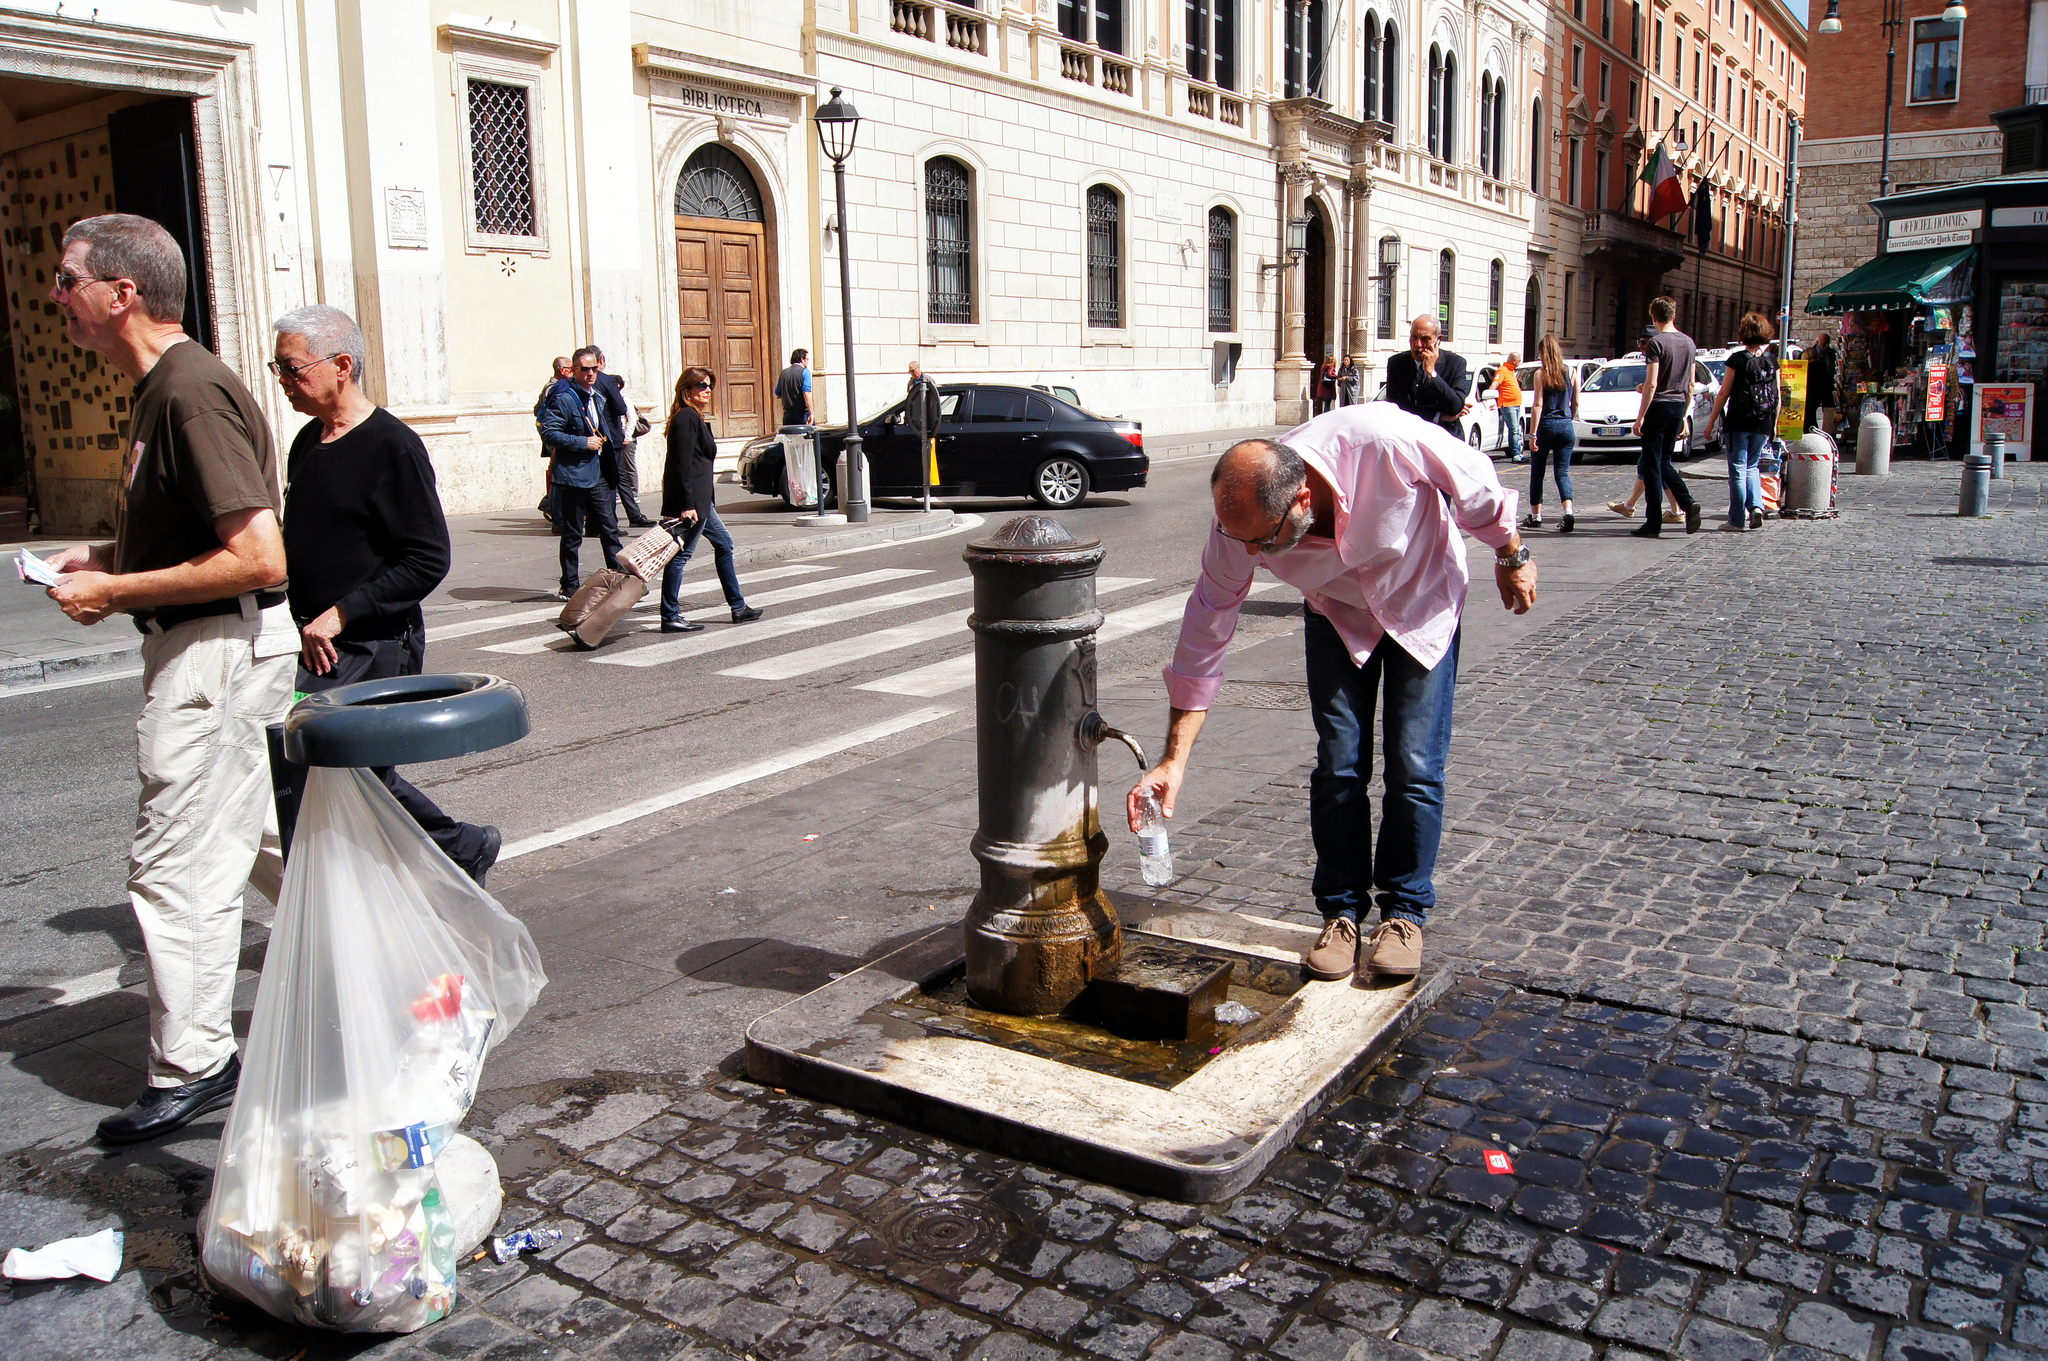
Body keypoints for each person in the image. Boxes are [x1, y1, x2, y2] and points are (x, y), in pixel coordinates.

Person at [39, 214, 299, 1144]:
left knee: (180, 863)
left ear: (125, 293)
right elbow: (202, 536)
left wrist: (113, 592)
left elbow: (260, 555)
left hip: (212, 654)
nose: (55, 296)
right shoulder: (164, 389)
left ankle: (194, 1062)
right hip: (210, 647)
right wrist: (108, 556)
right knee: (275, 841)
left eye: (68, 279)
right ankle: (405, 942)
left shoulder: (187, 392)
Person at [1129, 409, 1538, 984]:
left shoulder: (1381, 442)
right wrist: (1175, 758)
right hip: (1337, 613)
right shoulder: (1240, 531)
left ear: (1301, 498)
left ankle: (1404, 914)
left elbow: (1473, 482)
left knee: (1415, 764)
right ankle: (1341, 913)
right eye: (1241, 540)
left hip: (1420, 597)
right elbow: (1207, 627)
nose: (1252, 555)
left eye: (1262, 543)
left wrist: (1511, 554)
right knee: (1339, 762)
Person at [271, 303, 503, 880]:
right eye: (277, 368)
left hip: (371, 644)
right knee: (338, 770)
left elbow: (427, 559)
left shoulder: (392, 446)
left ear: (341, 365)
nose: (283, 382)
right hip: (318, 644)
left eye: (292, 368)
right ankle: (440, 856)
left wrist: (343, 613)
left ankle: (451, 850)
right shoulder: (308, 443)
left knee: (350, 771)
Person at [659, 367, 763, 634]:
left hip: (702, 500)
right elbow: (681, 465)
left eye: (710, 386)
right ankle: (670, 615)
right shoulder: (686, 418)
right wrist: (687, 505)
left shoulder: (693, 416)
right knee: (681, 556)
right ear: (687, 391)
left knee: (724, 544)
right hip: (693, 502)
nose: (707, 390)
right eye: (702, 386)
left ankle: (738, 607)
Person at [539, 347, 623, 598]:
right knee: (573, 533)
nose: (589, 373)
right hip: (574, 475)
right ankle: (570, 583)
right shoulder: (564, 397)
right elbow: (549, 432)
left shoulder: (596, 394)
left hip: (597, 473)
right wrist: (582, 443)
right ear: (573, 370)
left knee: (609, 528)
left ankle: (618, 577)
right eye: (584, 369)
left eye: (594, 369)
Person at [1627, 297, 1703, 538]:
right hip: (1678, 405)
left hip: (1658, 407)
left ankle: (1653, 522)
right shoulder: (1689, 343)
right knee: (1664, 461)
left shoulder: (1656, 343)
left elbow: (1652, 383)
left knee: (1652, 466)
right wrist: (1684, 414)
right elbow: (1690, 383)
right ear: (1674, 314)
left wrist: (1640, 417)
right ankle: (1687, 502)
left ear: (1653, 316)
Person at [1704, 312, 1780, 532]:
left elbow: (1724, 393)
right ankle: (1756, 506)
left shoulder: (1737, 359)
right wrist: (1773, 423)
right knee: (1753, 467)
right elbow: (1778, 395)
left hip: (1738, 422)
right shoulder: (1771, 360)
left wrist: (1711, 422)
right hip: (1763, 422)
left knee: (1738, 469)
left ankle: (1736, 520)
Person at [588, 346, 654, 529]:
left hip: (591, 437)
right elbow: (620, 408)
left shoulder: (576, 382)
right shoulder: (606, 380)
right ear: (600, 360)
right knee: (614, 479)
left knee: (606, 479)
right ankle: (609, 523)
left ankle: (627, 516)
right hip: (610, 438)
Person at [1383, 315, 1473, 438]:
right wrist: (1438, 416)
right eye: (1414, 337)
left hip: (1445, 437)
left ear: (1438, 340)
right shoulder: (1397, 363)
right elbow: (1397, 406)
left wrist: (1432, 374)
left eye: (1425, 339)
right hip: (1409, 437)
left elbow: (1455, 407)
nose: (1418, 344)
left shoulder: (1455, 363)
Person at [1525, 336, 1577, 533]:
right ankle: (1568, 512)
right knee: (1562, 473)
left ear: (1541, 353)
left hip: (1546, 425)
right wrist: (1567, 419)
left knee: (1537, 473)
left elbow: (1538, 404)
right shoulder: (1571, 371)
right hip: (1565, 425)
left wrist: (1533, 434)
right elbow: (1576, 402)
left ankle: (1536, 515)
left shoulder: (1541, 374)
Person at [537, 356, 570, 532]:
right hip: (556, 437)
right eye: (572, 369)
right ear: (563, 370)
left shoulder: (555, 387)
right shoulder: (555, 388)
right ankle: (553, 511)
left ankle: (554, 509)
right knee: (558, 478)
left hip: (556, 436)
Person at [1492, 353, 1526, 462]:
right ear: (1514, 360)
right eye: (1519, 360)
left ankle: (1518, 453)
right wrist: (1489, 393)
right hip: (1508, 404)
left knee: (1516, 430)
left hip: (1516, 404)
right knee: (1514, 429)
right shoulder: (1502, 370)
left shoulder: (1511, 371)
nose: (1520, 362)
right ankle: (1516, 454)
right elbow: (1495, 384)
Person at [1807, 332, 1838, 435]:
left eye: (1827, 343)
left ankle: (1829, 432)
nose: (1826, 346)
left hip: (1828, 386)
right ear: (1817, 342)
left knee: (1829, 410)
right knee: (1811, 411)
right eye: (1823, 343)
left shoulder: (1832, 354)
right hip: (1814, 388)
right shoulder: (1809, 353)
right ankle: (1813, 431)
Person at [776, 348, 813, 427]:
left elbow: (778, 394)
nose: (807, 362)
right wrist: (811, 413)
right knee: (809, 438)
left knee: (790, 438)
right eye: (807, 359)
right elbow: (806, 393)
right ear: (802, 360)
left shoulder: (784, 373)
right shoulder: (805, 372)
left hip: (788, 414)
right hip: (802, 413)